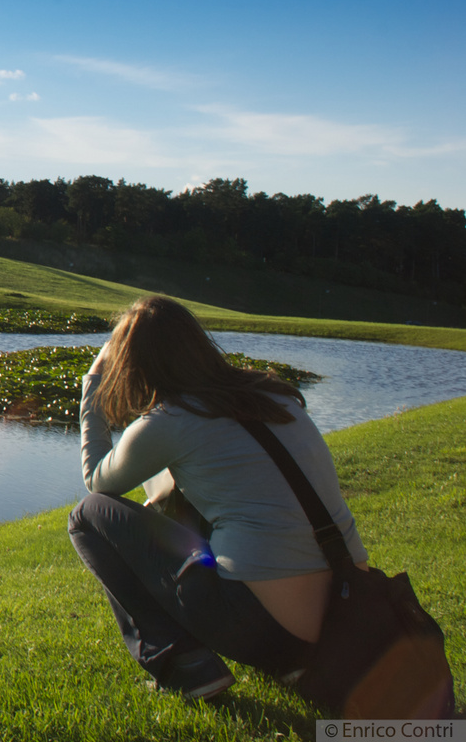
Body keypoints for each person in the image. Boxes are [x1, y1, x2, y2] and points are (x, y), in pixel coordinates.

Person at [67, 295, 368, 700]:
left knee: (88, 516)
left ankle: (185, 665)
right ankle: (294, 666)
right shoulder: (273, 395)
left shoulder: (170, 420)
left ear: (133, 365)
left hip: (274, 629)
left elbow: (97, 482)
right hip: (349, 613)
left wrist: (92, 392)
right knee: (185, 505)